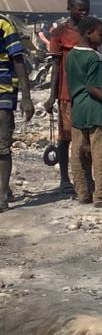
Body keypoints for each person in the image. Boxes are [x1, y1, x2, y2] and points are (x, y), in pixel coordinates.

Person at [67, 16, 102, 206]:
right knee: (101, 153)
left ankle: (83, 193)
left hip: (78, 110)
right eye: (100, 34)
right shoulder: (94, 58)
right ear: (89, 33)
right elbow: (93, 88)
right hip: (96, 110)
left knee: (79, 154)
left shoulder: (71, 55)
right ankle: (100, 196)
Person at [44, 0, 89, 193]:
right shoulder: (60, 33)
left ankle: (86, 177)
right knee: (65, 137)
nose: (84, 12)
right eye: (80, 8)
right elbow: (55, 65)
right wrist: (51, 96)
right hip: (66, 92)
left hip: (87, 92)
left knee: (87, 138)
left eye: (86, 9)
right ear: (69, 8)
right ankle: (64, 178)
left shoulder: (90, 30)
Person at [0, 13, 35, 211]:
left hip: (3, 92)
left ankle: (2, 196)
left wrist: (26, 97)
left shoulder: (4, 24)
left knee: (2, 146)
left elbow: (18, 59)